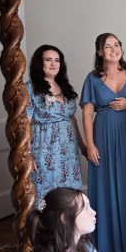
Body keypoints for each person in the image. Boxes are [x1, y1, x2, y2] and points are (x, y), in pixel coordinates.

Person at [81, 33, 126, 252]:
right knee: (106, 186)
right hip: (104, 136)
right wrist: (90, 144)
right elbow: (87, 113)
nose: (113, 49)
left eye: (116, 45)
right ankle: (109, 243)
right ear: (100, 52)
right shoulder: (92, 79)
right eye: (107, 46)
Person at [27, 45, 86, 201]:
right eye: (48, 60)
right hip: (45, 148)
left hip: (68, 149)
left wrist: (82, 147)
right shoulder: (30, 88)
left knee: (69, 191)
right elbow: (25, 123)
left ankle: (68, 218)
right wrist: (27, 154)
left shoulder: (64, 86)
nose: (53, 64)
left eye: (57, 60)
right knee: (46, 191)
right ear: (39, 63)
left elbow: (71, 118)